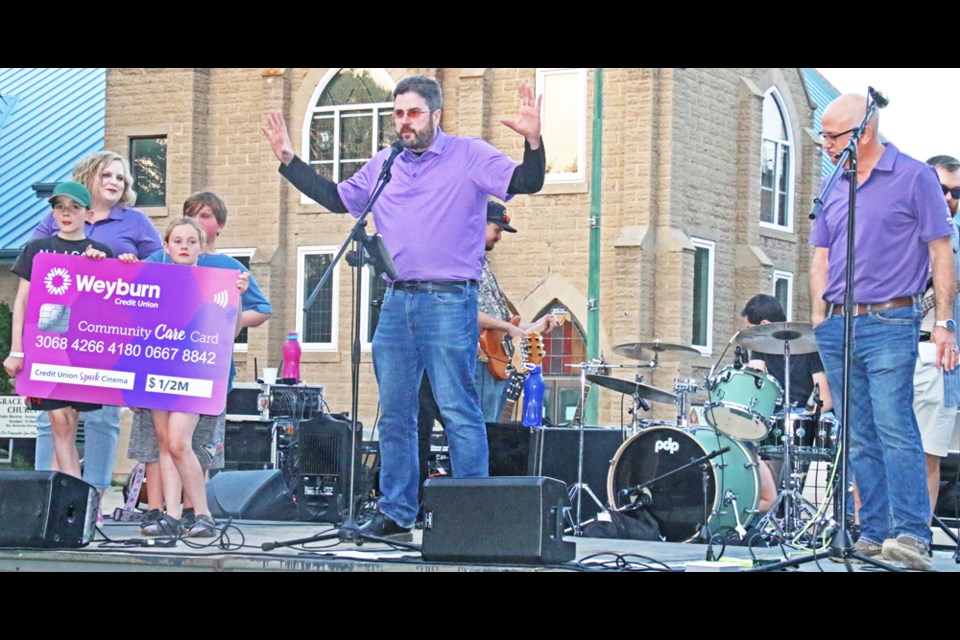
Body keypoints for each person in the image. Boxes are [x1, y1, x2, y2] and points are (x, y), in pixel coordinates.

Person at [262, 75, 545, 539]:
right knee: (394, 411)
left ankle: (469, 515)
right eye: (397, 113)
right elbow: (339, 199)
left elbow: (527, 181)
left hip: (449, 300)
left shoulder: (469, 155)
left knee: (457, 407)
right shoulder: (385, 162)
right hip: (395, 301)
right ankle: (396, 512)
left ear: (436, 114)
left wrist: (533, 141)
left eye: (413, 113)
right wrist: (290, 160)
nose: (404, 122)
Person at [810, 93, 957, 570]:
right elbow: (821, 255)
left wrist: (943, 323)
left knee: (895, 425)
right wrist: (819, 319)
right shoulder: (835, 183)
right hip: (838, 323)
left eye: (833, 136)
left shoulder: (915, 177)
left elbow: (941, 252)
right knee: (857, 434)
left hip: (890, 319)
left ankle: (912, 534)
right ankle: (872, 533)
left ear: (864, 132)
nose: (825, 144)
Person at [127, 192, 273, 536]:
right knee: (164, 442)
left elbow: (230, 326)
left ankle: (203, 514)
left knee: (180, 442)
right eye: (177, 240)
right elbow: (128, 317)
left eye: (191, 241)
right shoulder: (153, 271)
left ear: (201, 245)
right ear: (166, 244)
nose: (184, 246)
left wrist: (236, 298)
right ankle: (172, 516)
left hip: (195, 372)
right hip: (156, 370)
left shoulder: (218, 279)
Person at [29, 151, 162, 518]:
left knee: (102, 416)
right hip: (58, 326)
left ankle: (94, 498)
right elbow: (40, 261)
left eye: (121, 178)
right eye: (108, 175)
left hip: (107, 329)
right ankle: (45, 494)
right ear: (89, 176)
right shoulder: (59, 216)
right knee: (51, 416)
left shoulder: (135, 222)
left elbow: (163, 266)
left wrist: (130, 267)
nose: (116, 182)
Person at [4, 182, 114, 486]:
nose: (66, 213)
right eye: (59, 207)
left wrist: (102, 267)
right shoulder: (37, 249)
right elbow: (22, 301)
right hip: (45, 349)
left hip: (81, 351)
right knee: (60, 422)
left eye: (74, 207)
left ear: (88, 214)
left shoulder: (101, 253)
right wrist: (17, 350)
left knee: (70, 421)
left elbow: (109, 305)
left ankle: (64, 500)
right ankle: (81, 500)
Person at [740, 294, 834, 514]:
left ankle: (785, 505)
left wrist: (807, 416)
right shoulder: (760, 346)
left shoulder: (807, 345)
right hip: (772, 415)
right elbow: (754, 381)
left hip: (803, 415)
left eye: (749, 327)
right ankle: (757, 503)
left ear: (764, 325)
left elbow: (826, 398)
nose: (747, 333)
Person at [913, 155, 960, 518]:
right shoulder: (899, 229)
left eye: (957, 192)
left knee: (928, 455)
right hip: (893, 349)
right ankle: (866, 534)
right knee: (877, 450)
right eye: (941, 189)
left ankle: (918, 537)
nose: (948, 198)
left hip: (937, 354)